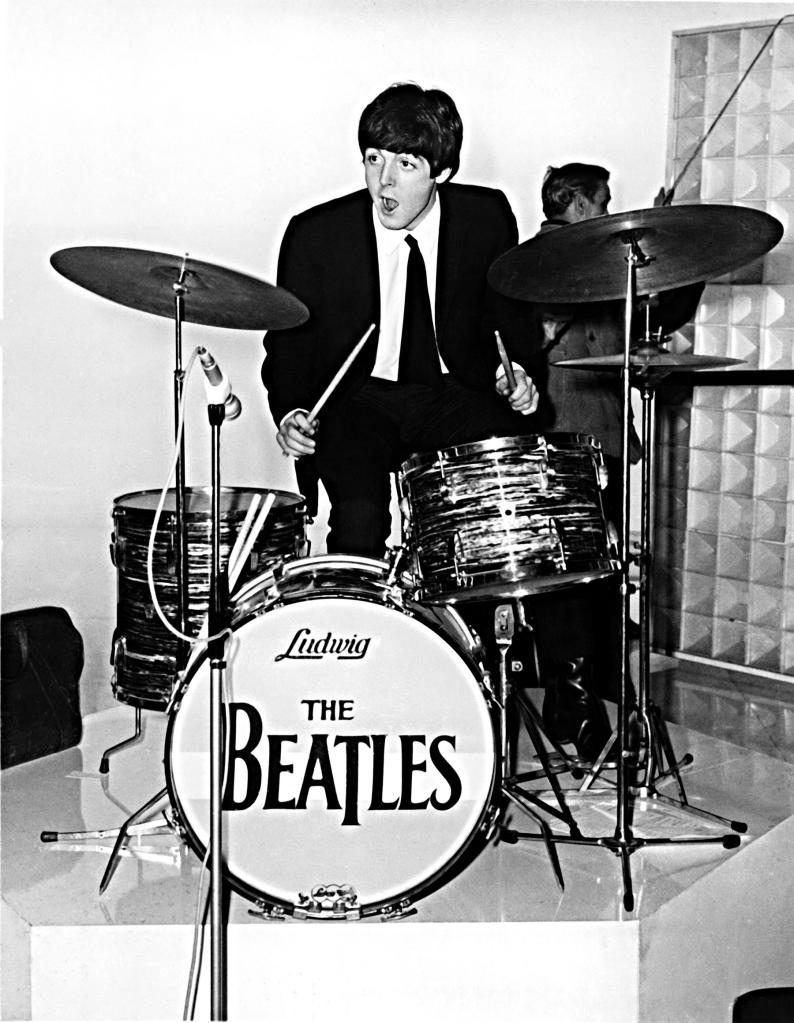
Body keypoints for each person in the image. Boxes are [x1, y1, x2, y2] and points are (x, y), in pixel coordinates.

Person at [262, 82, 538, 559]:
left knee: (495, 509)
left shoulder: (485, 217)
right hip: (357, 397)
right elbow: (288, 345)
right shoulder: (316, 235)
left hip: (453, 392)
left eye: (405, 164)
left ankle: (487, 630)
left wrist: (512, 375)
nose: (384, 182)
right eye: (374, 158)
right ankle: (355, 630)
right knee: (360, 518)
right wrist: (290, 412)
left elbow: (509, 319)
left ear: (442, 173)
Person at [521, 163, 704, 760]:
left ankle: (595, 695)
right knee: (574, 581)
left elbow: (657, 317)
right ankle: (572, 702)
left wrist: (668, 245)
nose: (604, 213)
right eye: (602, 203)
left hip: (600, 443)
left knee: (600, 578)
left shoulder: (602, 264)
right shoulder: (537, 263)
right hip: (560, 445)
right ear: (573, 203)